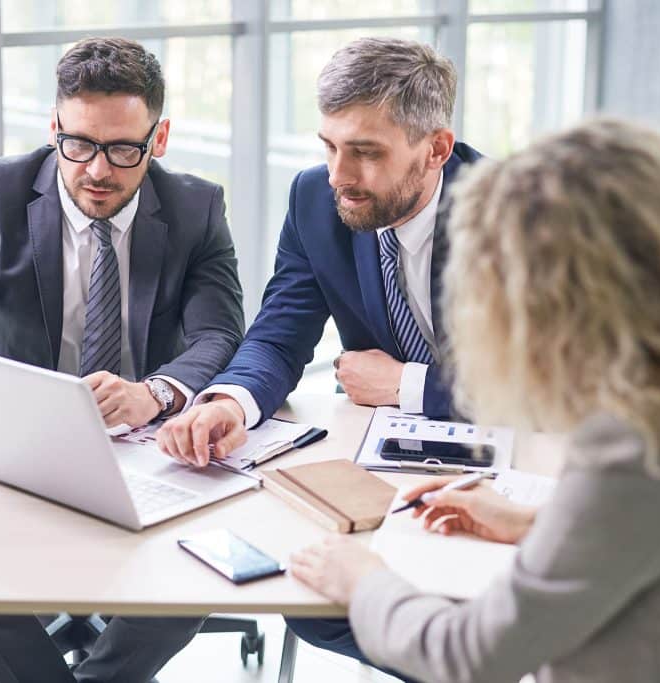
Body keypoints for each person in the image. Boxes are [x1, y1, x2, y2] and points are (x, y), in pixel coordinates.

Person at [290, 117, 660, 683]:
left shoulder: (639, 443)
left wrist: (362, 579)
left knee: (332, 615)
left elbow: (469, 657)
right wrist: (535, 521)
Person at [0, 37, 244, 683]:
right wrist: (23, 419)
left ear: (161, 136)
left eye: (124, 149)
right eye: (79, 144)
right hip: (20, 452)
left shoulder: (196, 208)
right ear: (54, 127)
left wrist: (158, 391)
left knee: (201, 566)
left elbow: (221, 334)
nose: (97, 169)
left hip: (146, 446)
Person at [154, 37, 481, 671]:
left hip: (498, 465)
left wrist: (407, 384)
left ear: (436, 148)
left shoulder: (512, 211)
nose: (339, 175)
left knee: (465, 595)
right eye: (330, 146)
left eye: (365, 152)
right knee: (312, 607)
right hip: (379, 466)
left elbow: (551, 387)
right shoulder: (315, 199)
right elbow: (279, 332)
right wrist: (231, 401)